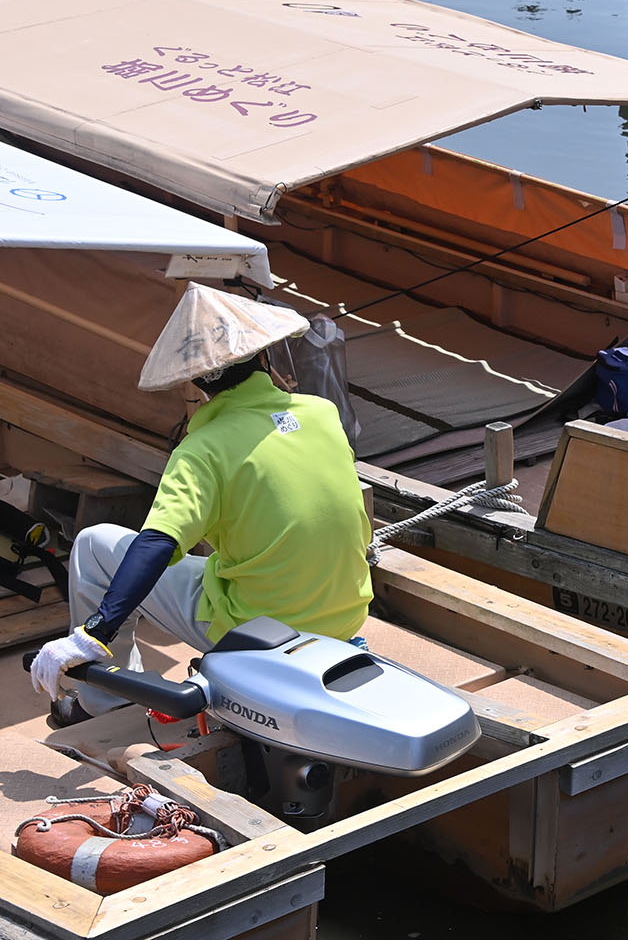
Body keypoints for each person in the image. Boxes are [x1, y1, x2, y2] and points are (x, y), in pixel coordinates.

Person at [30, 283, 373, 725]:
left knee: (95, 545)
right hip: (344, 618)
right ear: (263, 356)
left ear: (195, 382)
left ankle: (103, 702)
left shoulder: (203, 449)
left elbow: (156, 544)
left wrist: (93, 635)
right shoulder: (322, 414)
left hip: (259, 631)